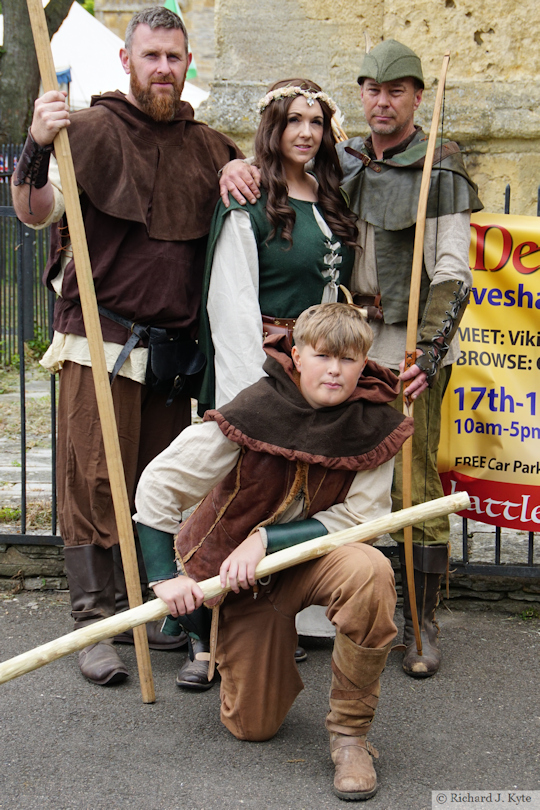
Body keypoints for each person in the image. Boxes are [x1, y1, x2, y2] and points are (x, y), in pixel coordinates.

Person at [218, 39, 483, 678]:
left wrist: (431, 350)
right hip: (343, 334)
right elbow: (281, 147)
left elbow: (453, 272)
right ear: (361, 95)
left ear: (418, 96)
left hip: (406, 343)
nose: (382, 102)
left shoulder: (440, 166)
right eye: (372, 90)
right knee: (337, 468)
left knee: (409, 476)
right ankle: (337, 599)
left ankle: (420, 621)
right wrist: (231, 164)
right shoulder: (347, 159)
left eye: (396, 91)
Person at [11, 6, 243, 687]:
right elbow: (34, 210)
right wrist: (33, 142)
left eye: (175, 57)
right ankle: (94, 619)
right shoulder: (86, 131)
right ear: (128, 61)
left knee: (163, 488)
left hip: (174, 354)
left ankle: (156, 607)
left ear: (187, 62)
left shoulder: (209, 147)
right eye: (152, 56)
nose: (164, 69)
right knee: (94, 483)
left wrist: (240, 177)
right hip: (101, 341)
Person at [133, 302, 414, 801]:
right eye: (324, 356)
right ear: (298, 355)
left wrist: (266, 540)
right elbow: (160, 483)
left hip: (317, 563)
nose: (335, 370)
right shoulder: (255, 410)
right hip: (241, 585)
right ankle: (230, 645)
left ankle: (350, 737)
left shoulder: (374, 424)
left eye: (348, 360)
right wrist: (164, 577)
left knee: (370, 571)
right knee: (253, 726)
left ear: (364, 363)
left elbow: (363, 519)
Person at [197, 78, 358, 413]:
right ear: (274, 126)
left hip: (321, 371)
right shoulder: (249, 199)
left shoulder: (329, 196)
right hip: (267, 368)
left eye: (317, 122)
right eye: (294, 120)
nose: (307, 133)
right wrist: (250, 396)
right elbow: (232, 309)